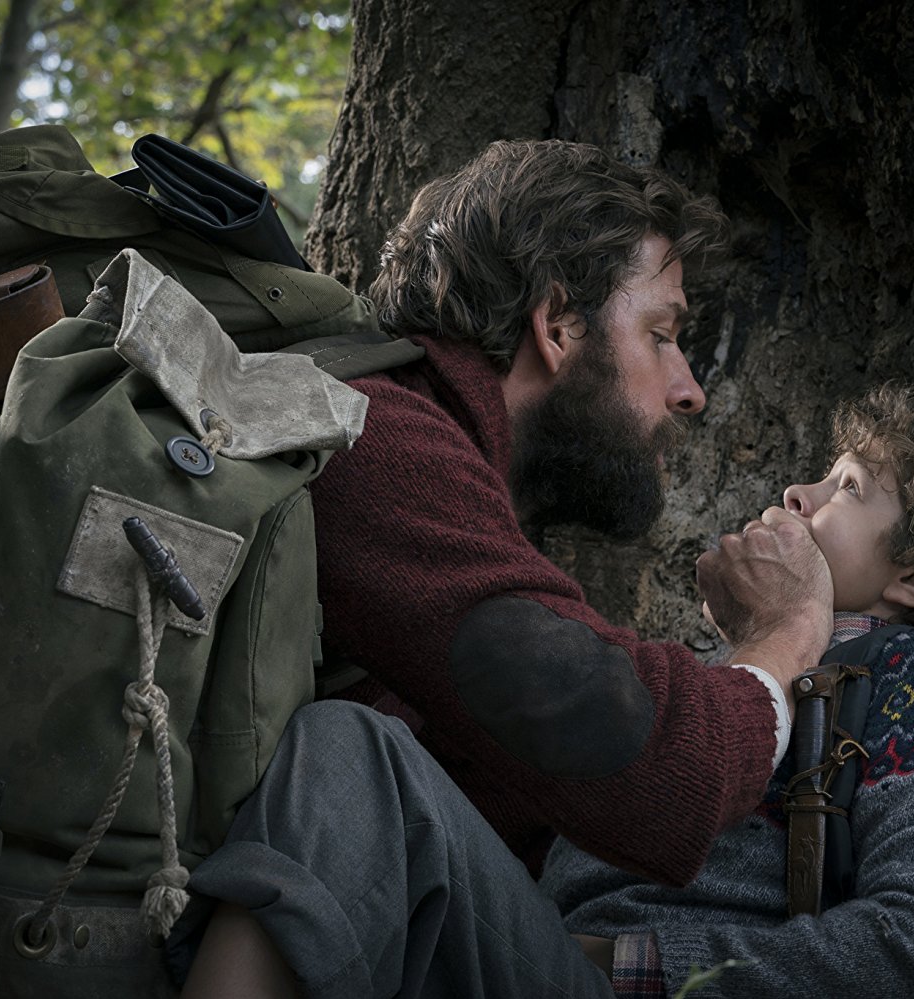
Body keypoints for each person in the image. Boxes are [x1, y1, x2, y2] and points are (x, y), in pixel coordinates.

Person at [172, 384, 914, 998]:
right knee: (351, 745)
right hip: (543, 958)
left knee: (352, 753)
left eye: (847, 486)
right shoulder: (732, 668)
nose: (800, 488)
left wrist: (634, 964)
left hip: (616, 982)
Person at [301, 139, 835, 884]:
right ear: (556, 325)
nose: (689, 391)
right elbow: (655, 773)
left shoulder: (432, 459)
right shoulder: (377, 442)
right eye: (660, 335)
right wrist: (789, 633)